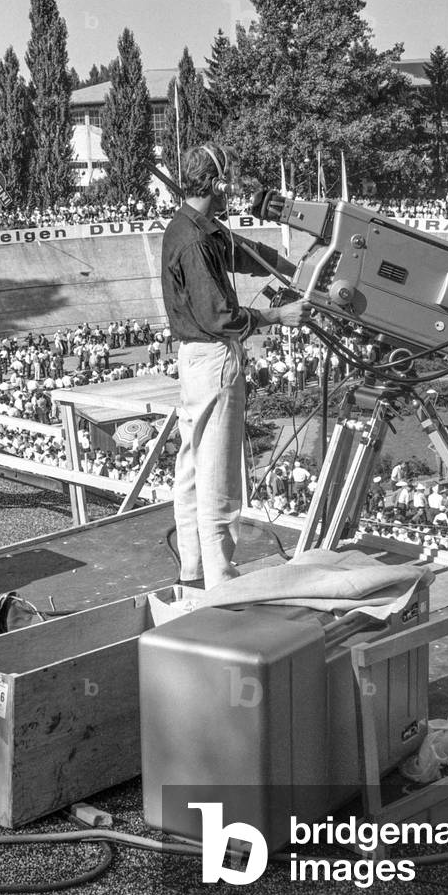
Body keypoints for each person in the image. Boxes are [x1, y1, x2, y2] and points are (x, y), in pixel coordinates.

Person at [161, 144, 310, 588]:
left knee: (191, 469)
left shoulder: (190, 227)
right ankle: (221, 579)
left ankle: (193, 568)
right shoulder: (194, 241)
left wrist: (290, 268)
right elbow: (220, 317)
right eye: (229, 183)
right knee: (218, 477)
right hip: (213, 357)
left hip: (194, 360)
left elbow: (238, 249)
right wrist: (276, 316)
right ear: (217, 183)